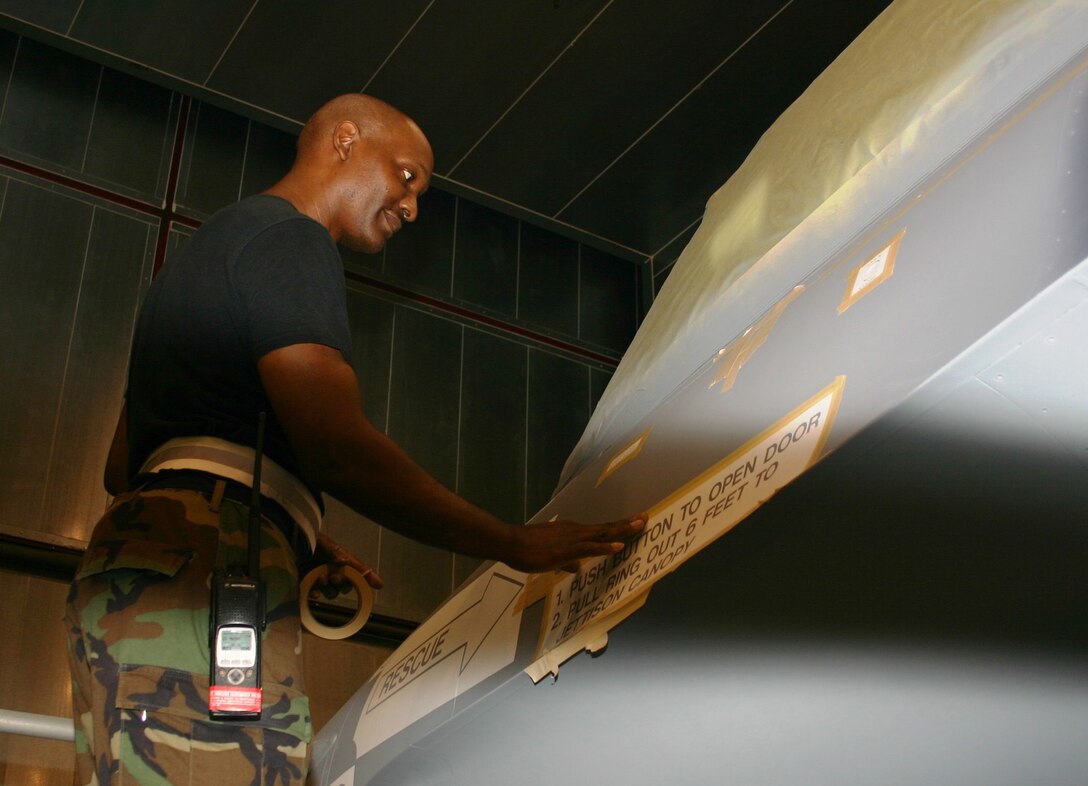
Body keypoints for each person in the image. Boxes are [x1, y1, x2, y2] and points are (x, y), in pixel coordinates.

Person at [65, 93, 646, 785]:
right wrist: (510, 543)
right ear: (345, 140)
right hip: (206, 566)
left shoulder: (201, 261)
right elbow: (332, 443)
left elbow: (120, 465)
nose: (411, 207)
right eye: (406, 177)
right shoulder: (291, 238)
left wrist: (279, 513)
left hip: (136, 571)